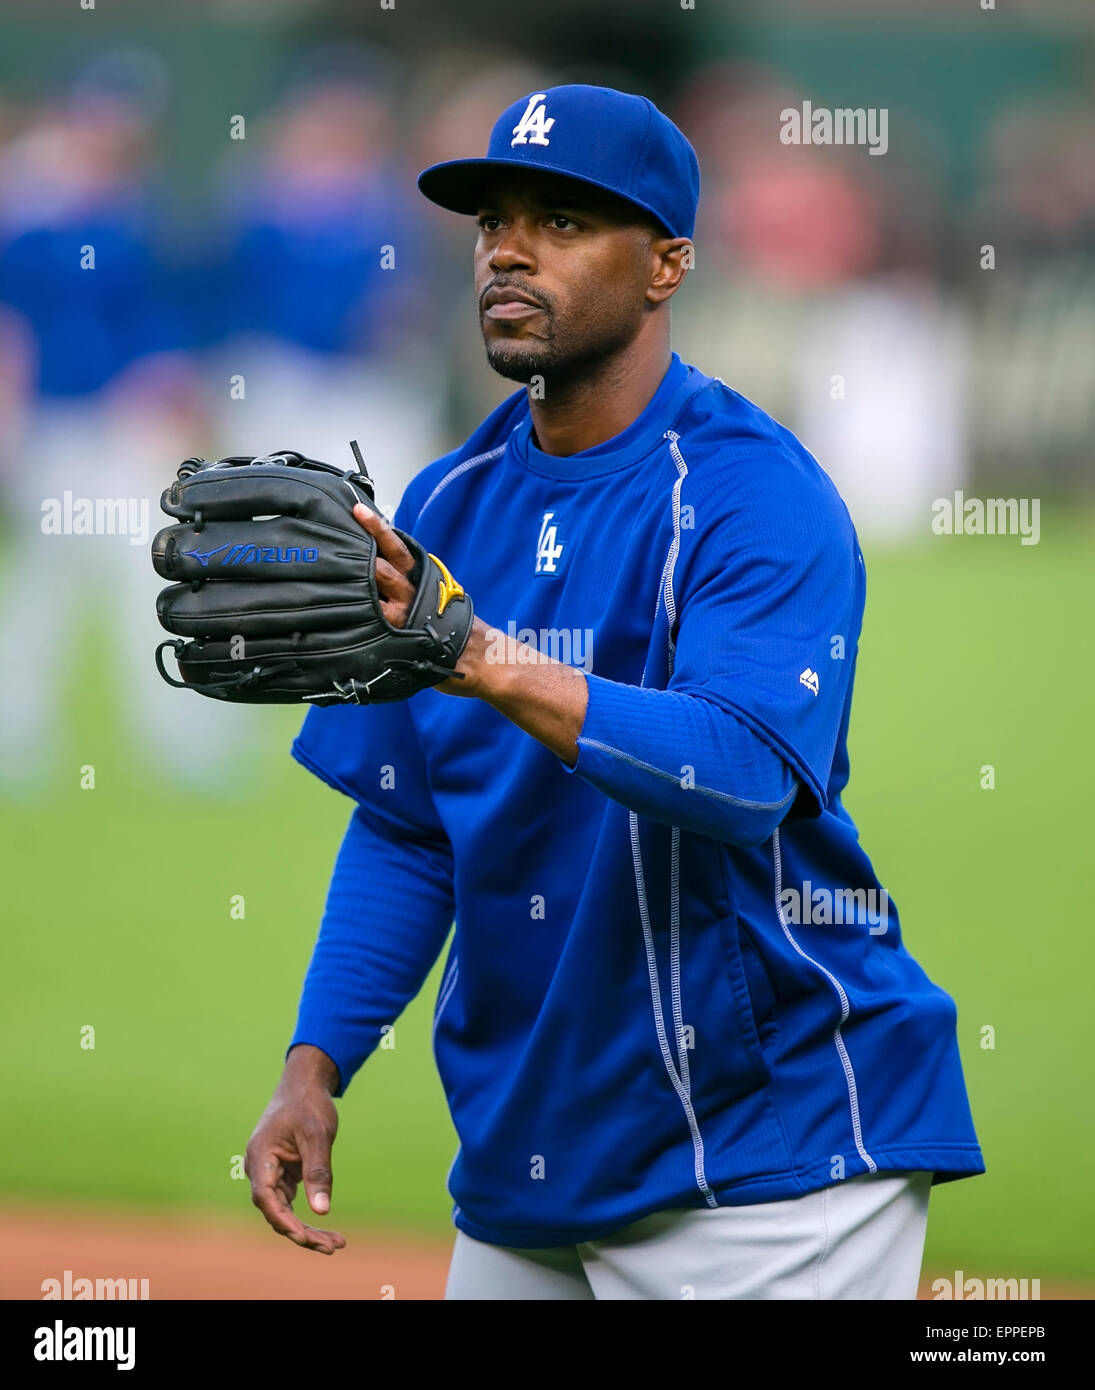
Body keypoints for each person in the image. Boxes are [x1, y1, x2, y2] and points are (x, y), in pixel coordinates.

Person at [245, 85, 984, 1301]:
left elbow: (741, 771)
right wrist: (315, 1061)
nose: (510, 250)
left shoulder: (754, 493)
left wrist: (485, 656)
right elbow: (406, 820)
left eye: (564, 220)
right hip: (531, 1153)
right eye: (493, 222)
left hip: (771, 1156)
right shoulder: (445, 505)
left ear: (666, 265)